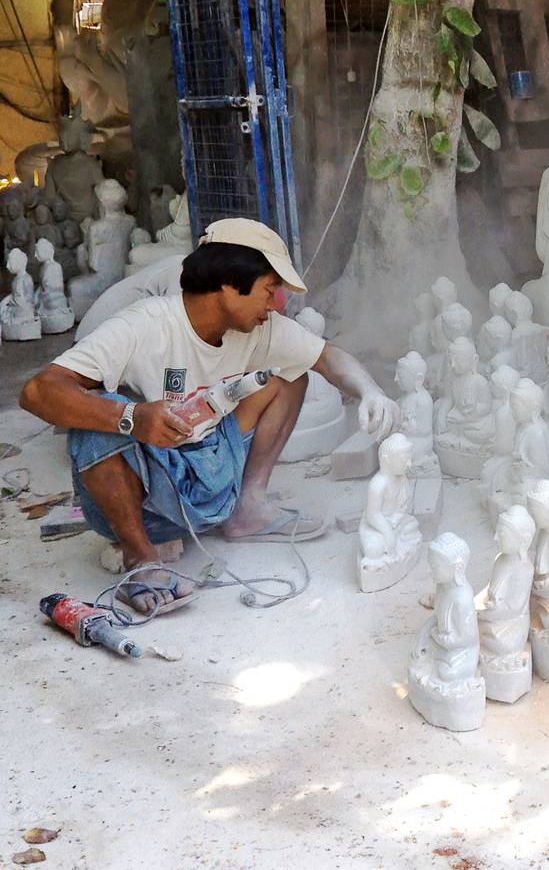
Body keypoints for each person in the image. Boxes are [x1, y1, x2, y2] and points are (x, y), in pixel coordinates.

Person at [18, 218, 399, 616]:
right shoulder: (145, 324)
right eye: (269, 291)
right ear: (231, 283)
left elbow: (326, 356)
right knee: (96, 418)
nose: (273, 306)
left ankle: (246, 509)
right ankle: (141, 560)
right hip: (154, 502)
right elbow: (37, 391)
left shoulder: (258, 330)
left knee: (293, 373)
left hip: (212, 473)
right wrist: (132, 416)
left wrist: (370, 391)